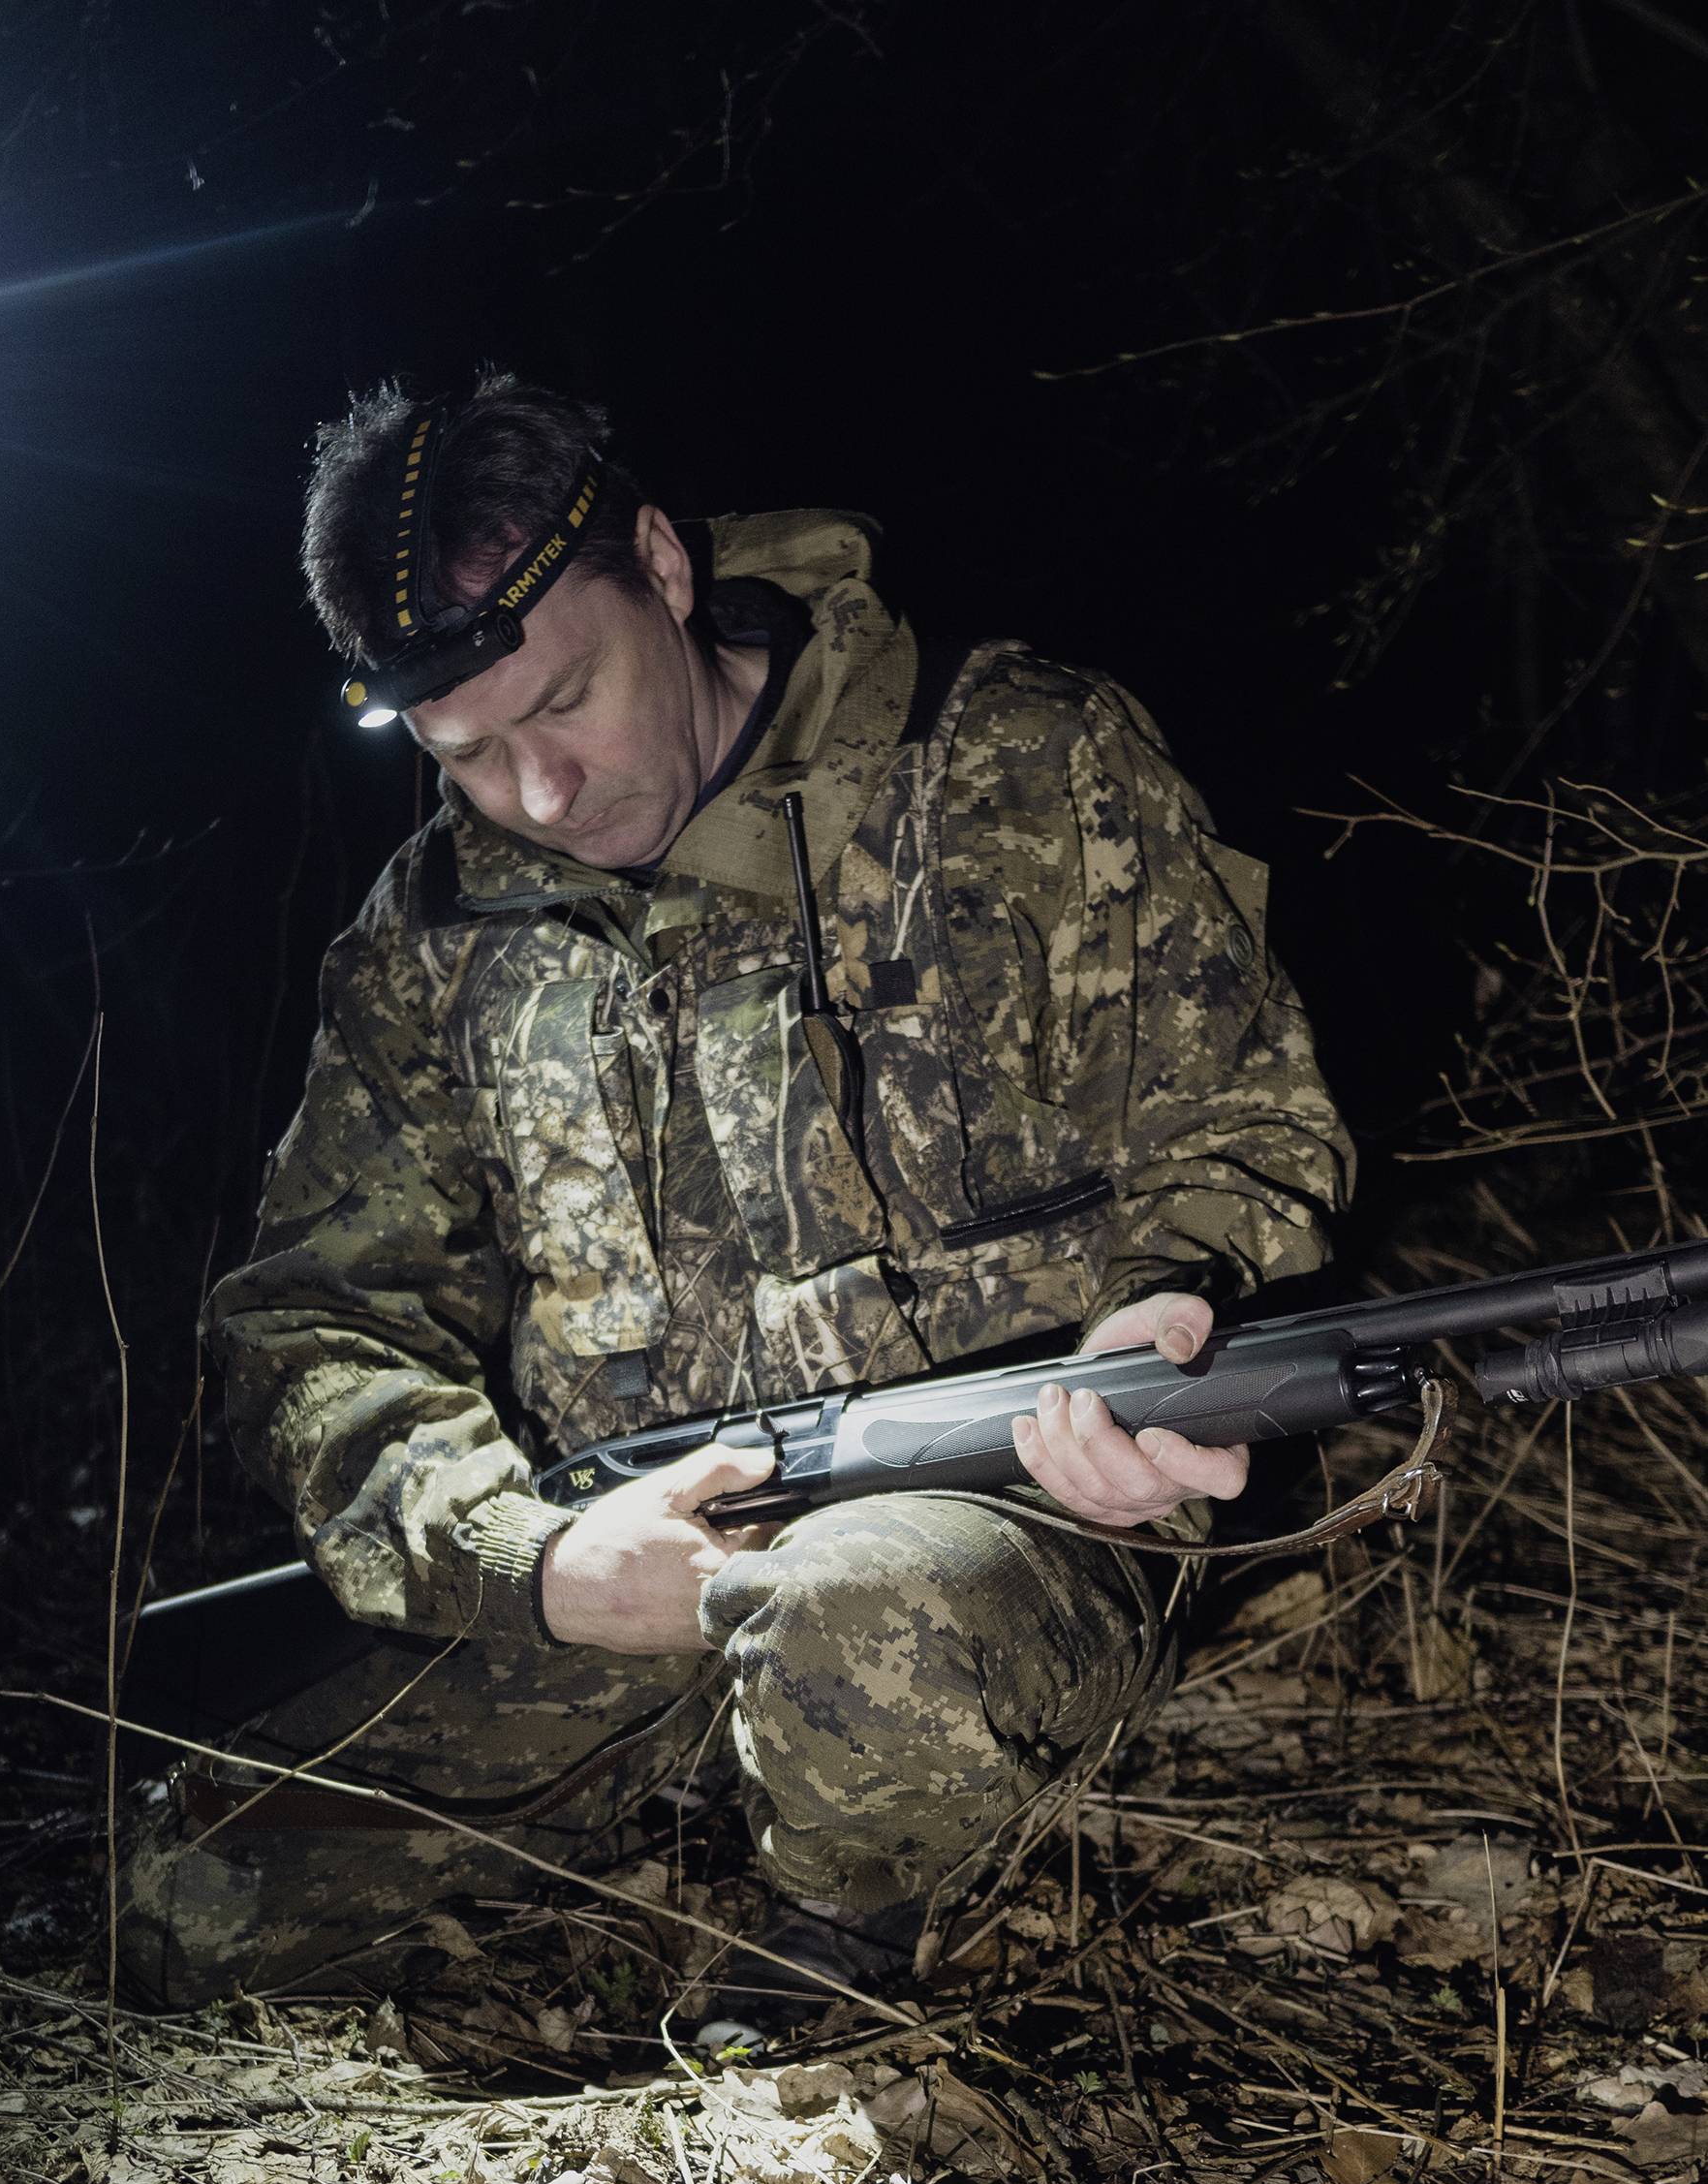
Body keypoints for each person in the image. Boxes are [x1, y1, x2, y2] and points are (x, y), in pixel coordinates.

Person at [119, 370, 1352, 2022]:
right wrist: (532, 1556)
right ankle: (692, 1774)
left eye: (567, 700)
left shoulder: (1014, 761)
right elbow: (312, 1321)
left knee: (859, 1646)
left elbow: (1246, 1122)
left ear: (662, 565)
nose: (538, 794)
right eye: (464, 752)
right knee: (186, 1896)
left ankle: (831, 1932)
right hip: (622, 1574)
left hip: (991, 1536)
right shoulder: (429, 934)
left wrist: (1171, 1302)